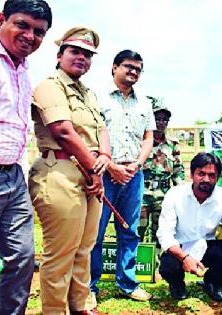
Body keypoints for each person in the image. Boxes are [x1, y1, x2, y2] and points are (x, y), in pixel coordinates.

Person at [29, 27, 110, 314]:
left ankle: (81, 305)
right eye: (75, 51)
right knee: (60, 253)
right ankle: (54, 310)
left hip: (89, 174)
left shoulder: (89, 94)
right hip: (59, 171)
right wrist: (97, 171)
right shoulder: (50, 85)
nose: (82, 58)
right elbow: (63, 131)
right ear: (59, 54)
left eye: (88, 54)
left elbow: (102, 129)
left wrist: (106, 155)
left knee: (84, 248)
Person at [0, 1, 51, 314]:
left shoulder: (23, 67)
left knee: (22, 257)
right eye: (22, 25)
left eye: (39, 32)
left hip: (14, 175)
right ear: (1, 19)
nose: (30, 36)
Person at [90, 50, 155, 302]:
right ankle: (90, 287)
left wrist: (137, 165)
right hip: (104, 173)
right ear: (114, 67)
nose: (133, 72)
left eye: (138, 69)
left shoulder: (145, 103)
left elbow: (148, 137)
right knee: (95, 232)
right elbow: (92, 134)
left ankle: (128, 284)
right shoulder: (97, 98)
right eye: (128, 67)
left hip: (133, 175)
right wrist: (111, 167)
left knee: (129, 230)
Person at [157, 153, 222, 302]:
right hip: (180, 248)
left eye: (211, 175)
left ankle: (212, 282)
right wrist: (184, 257)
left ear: (218, 177)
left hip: (207, 246)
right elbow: (165, 234)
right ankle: (177, 284)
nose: (206, 180)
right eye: (201, 174)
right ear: (191, 174)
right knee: (168, 265)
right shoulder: (175, 195)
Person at [139, 101, 185, 258]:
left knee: (161, 232)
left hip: (164, 195)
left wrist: (181, 192)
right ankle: (137, 265)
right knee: (138, 230)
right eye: (158, 119)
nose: (161, 122)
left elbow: (178, 170)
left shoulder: (173, 144)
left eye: (165, 120)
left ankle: (158, 266)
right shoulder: (142, 141)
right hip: (142, 193)